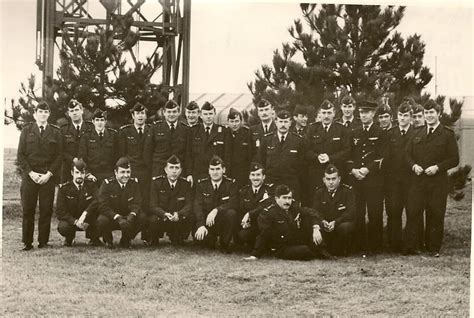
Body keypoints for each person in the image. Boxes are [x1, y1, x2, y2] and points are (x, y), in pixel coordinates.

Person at [404, 100, 459, 257]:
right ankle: (413, 246)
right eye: (426, 113)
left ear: (439, 114)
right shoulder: (417, 133)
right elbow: (407, 154)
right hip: (418, 180)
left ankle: (433, 248)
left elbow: (454, 159)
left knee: (435, 213)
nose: (428, 116)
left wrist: (437, 167)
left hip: (437, 182)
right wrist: (413, 165)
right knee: (414, 213)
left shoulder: (447, 134)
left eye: (431, 113)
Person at [17, 101, 63, 250]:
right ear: (35, 114)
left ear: (49, 114)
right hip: (30, 176)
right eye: (40, 112)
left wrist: (49, 174)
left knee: (46, 210)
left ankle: (43, 241)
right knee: (28, 210)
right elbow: (21, 155)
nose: (43, 114)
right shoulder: (26, 130)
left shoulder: (55, 132)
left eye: (46, 112)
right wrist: (30, 173)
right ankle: (27, 243)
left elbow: (59, 156)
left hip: (46, 177)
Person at [244, 184, 330, 261]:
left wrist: (316, 228)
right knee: (305, 250)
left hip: (295, 242)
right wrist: (255, 255)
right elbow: (263, 234)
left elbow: (312, 212)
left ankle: (321, 251)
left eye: (289, 198)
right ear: (277, 199)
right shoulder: (268, 213)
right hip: (281, 248)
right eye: (284, 198)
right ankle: (318, 252)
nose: (287, 201)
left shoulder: (293, 208)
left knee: (312, 221)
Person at [347, 100, 386, 255]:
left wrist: (366, 169)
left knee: (374, 212)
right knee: (358, 212)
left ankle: (375, 246)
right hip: (357, 179)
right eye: (361, 112)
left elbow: (383, 157)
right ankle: (359, 244)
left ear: (373, 114)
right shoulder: (354, 132)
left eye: (367, 112)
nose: (363, 115)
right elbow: (349, 156)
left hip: (373, 181)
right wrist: (354, 170)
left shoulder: (381, 133)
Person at [382, 102, 415, 253]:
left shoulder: (417, 133)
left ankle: (409, 245)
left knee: (412, 212)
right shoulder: (390, 134)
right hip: (393, 182)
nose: (403, 118)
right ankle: (393, 244)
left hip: (411, 181)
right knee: (393, 212)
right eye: (400, 115)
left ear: (411, 117)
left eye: (406, 115)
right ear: (396, 117)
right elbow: (386, 159)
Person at [305, 100, 349, 205]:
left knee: (336, 203)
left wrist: (330, 158)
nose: (326, 116)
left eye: (329, 113)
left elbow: (347, 151)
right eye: (324, 113)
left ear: (334, 113)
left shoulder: (341, 129)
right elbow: (306, 151)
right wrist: (317, 157)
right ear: (319, 113)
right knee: (316, 203)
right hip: (316, 173)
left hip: (335, 173)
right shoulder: (312, 129)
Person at [193, 156, 238, 253]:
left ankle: (224, 243)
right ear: (208, 171)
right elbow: (197, 205)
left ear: (223, 170)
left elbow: (233, 203)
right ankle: (210, 238)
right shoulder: (202, 184)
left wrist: (216, 209)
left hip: (222, 221)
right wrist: (201, 225)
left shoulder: (231, 184)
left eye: (218, 169)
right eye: (212, 169)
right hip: (207, 222)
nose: (215, 172)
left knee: (232, 213)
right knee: (203, 242)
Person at [118, 102, 151, 235]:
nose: (140, 116)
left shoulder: (151, 130)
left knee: (147, 202)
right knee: (132, 203)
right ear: (133, 115)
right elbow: (122, 155)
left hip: (147, 172)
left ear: (146, 115)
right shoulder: (125, 131)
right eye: (137, 113)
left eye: (142, 113)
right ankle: (129, 232)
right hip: (132, 172)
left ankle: (146, 233)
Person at [259, 109, 305, 200]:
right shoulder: (267, 139)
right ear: (276, 122)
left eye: (285, 122)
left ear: (290, 123)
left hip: (291, 182)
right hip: (272, 182)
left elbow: (302, 164)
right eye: (280, 121)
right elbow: (261, 161)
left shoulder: (298, 140)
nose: (283, 125)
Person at [96, 157, 142, 248]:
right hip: (112, 217)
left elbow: (137, 203)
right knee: (101, 220)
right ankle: (108, 240)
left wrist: (132, 215)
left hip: (128, 217)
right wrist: (117, 217)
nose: (126, 175)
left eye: (128, 172)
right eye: (122, 172)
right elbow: (102, 206)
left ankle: (126, 240)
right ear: (116, 172)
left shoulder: (134, 183)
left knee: (142, 218)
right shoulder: (107, 184)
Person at [148, 155, 193, 245]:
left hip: (177, 218)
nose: (174, 171)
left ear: (180, 170)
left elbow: (189, 204)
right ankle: (154, 238)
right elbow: (152, 205)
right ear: (165, 170)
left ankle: (178, 236)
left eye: (177, 168)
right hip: (162, 218)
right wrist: (163, 214)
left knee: (190, 217)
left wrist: (179, 214)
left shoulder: (185, 184)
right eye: (171, 167)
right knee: (153, 219)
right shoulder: (157, 183)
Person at [56, 158, 102, 246]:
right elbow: (60, 211)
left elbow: (97, 201)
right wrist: (75, 221)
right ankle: (69, 238)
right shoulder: (64, 188)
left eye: (82, 173)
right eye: (77, 173)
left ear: (85, 174)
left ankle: (93, 238)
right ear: (72, 173)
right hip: (72, 220)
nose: (80, 176)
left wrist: (85, 214)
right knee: (63, 227)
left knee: (101, 221)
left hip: (88, 219)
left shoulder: (91, 186)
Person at [313, 165, 355, 256]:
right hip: (326, 225)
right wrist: (322, 221)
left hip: (340, 224)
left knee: (345, 227)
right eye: (328, 179)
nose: (331, 182)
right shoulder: (319, 192)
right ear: (324, 180)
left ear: (339, 179)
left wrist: (336, 222)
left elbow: (351, 212)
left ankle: (345, 249)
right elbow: (316, 211)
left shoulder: (347, 192)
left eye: (333, 179)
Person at [144, 100, 188, 177]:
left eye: (174, 112)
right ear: (164, 112)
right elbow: (147, 151)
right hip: (159, 170)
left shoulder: (185, 129)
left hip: (178, 171)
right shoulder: (155, 128)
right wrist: (153, 169)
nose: (171, 114)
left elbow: (188, 153)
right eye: (169, 112)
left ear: (179, 112)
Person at [185, 101, 225, 185]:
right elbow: (188, 154)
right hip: (197, 175)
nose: (208, 117)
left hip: (216, 174)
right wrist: (189, 174)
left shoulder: (223, 131)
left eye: (210, 114)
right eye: (205, 114)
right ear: (200, 115)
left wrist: (224, 173)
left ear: (214, 113)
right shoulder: (193, 131)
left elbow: (227, 155)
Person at [237, 162, 274, 249]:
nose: (255, 178)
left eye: (258, 175)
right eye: (253, 175)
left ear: (263, 177)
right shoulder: (244, 191)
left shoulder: (270, 190)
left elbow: (269, 206)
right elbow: (241, 208)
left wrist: (250, 214)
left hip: (264, 225)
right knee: (243, 235)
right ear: (249, 177)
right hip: (250, 225)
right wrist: (245, 223)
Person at [78, 109, 119, 185]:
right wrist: (87, 174)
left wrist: (115, 174)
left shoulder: (113, 135)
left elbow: (117, 156)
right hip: (92, 175)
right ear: (93, 121)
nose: (99, 123)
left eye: (102, 120)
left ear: (105, 121)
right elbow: (82, 158)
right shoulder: (86, 136)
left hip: (109, 175)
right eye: (97, 120)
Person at [59, 99, 94, 182]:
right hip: (69, 170)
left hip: (88, 169)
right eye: (72, 111)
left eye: (77, 110)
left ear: (82, 111)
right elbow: (60, 151)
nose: (74, 113)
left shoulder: (91, 128)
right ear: (69, 114)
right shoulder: (63, 130)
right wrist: (72, 159)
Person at [224, 108, 253, 189]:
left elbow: (250, 155)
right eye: (232, 121)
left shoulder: (247, 134)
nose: (234, 124)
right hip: (227, 174)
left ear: (241, 122)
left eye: (237, 121)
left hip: (242, 175)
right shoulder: (224, 134)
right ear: (228, 122)